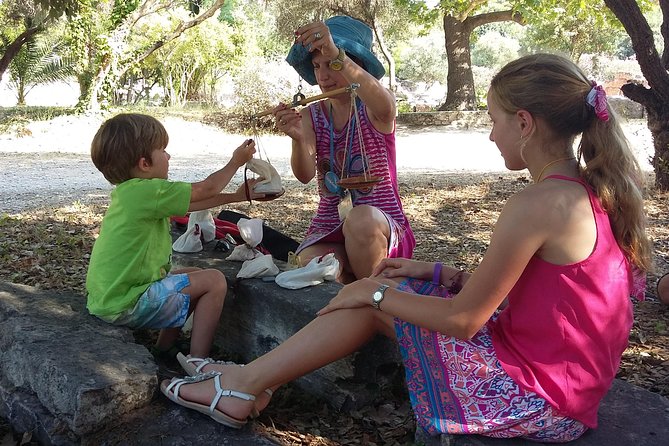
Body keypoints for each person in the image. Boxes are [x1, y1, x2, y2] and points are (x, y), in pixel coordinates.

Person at [159, 54, 652, 442]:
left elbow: (464, 321)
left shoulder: (538, 202)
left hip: (535, 400)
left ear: (525, 123)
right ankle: (247, 382)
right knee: (390, 284)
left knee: (372, 297)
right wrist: (437, 271)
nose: (490, 132)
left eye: (494, 119)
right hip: (566, 387)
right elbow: (549, 292)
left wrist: (370, 295)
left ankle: (240, 388)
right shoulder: (590, 189)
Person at [86, 113, 264, 361]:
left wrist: (236, 197)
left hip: (113, 297)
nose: (168, 156)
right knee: (214, 280)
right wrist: (236, 162)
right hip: (127, 303)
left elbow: (193, 204)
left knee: (191, 275)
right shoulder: (146, 191)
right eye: (163, 150)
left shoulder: (132, 193)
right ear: (144, 163)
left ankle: (164, 349)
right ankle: (199, 363)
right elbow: (206, 189)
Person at [273, 16, 414, 284]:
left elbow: (388, 107)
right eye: (316, 66)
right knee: (308, 266)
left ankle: (375, 301)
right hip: (330, 225)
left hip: (378, 224)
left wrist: (336, 54)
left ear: (356, 66)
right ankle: (356, 288)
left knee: (361, 220)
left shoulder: (372, 108)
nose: (324, 75)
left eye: (332, 64)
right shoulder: (311, 115)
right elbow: (304, 175)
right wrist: (297, 139)